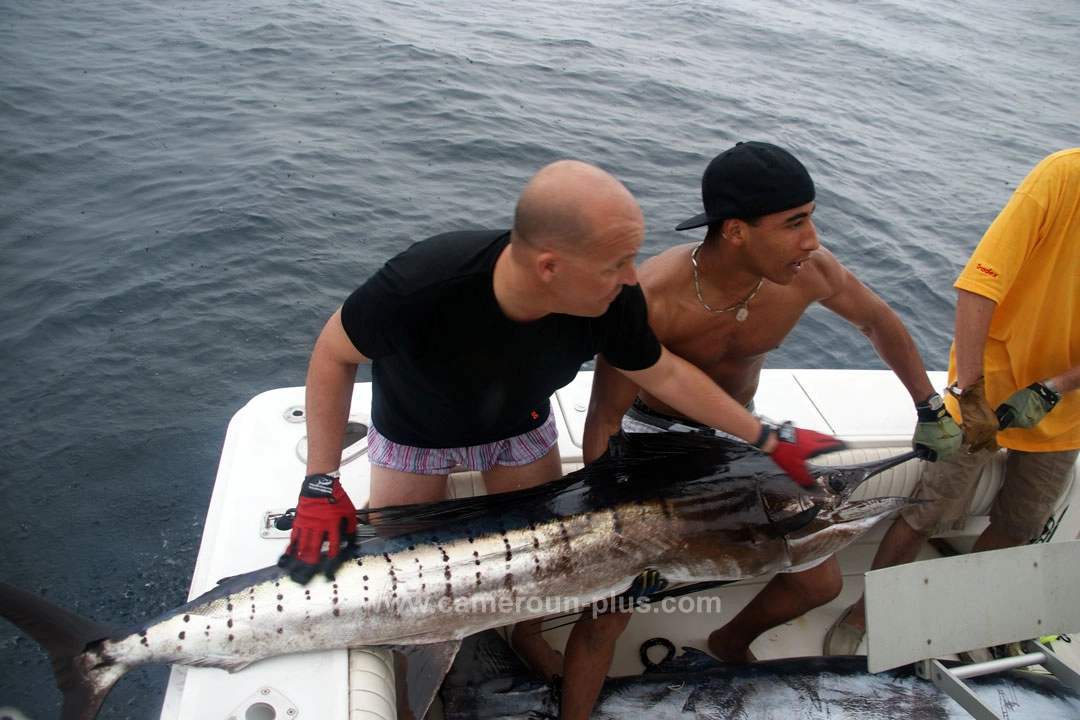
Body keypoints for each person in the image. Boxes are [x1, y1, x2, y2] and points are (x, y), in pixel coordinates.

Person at [274, 159, 845, 687]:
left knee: (548, 567)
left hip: (519, 430)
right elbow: (333, 353)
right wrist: (320, 483)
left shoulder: (615, 300)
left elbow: (664, 373)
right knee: (396, 574)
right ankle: (409, 668)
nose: (631, 277)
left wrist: (767, 438)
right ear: (551, 267)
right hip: (415, 435)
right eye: (615, 265)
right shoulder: (425, 284)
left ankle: (524, 634)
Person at [560, 141, 962, 719]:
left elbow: (878, 321)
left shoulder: (808, 273)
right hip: (654, 440)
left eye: (812, 218)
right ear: (736, 231)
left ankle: (727, 640)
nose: (812, 240)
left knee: (819, 583)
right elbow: (602, 422)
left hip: (739, 436)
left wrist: (928, 405)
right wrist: (614, 532)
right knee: (609, 609)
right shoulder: (653, 297)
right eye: (795, 222)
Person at [823, 148, 1080, 656]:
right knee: (927, 508)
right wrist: (973, 392)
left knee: (1021, 525)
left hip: (1067, 408)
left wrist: (1058, 386)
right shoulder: (1063, 175)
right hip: (989, 382)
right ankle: (869, 611)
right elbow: (977, 289)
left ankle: (965, 616)